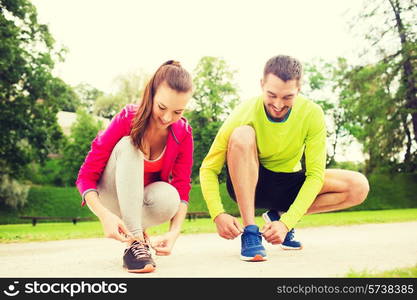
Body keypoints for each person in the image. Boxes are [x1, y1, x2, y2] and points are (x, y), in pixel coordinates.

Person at [199, 55, 369, 262]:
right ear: (262, 85)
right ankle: (251, 232)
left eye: (287, 97)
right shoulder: (243, 111)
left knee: (358, 186)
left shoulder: (312, 113)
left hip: (288, 184)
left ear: (299, 89)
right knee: (242, 134)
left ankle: (277, 216)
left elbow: (315, 175)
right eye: (271, 95)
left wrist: (286, 222)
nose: (278, 104)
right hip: (252, 182)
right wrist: (217, 213)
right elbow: (209, 168)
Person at [76, 60, 194, 273]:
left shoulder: (183, 133)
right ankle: (136, 243)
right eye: (162, 107)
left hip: (141, 202)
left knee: (171, 196)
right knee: (130, 144)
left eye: (177, 112)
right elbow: (85, 176)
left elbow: (183, 185)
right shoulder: (128, 117)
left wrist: (174, 232)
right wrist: (104, 215)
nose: (167, 118)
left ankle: (137, 234)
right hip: (110, 195)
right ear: (151, 95)